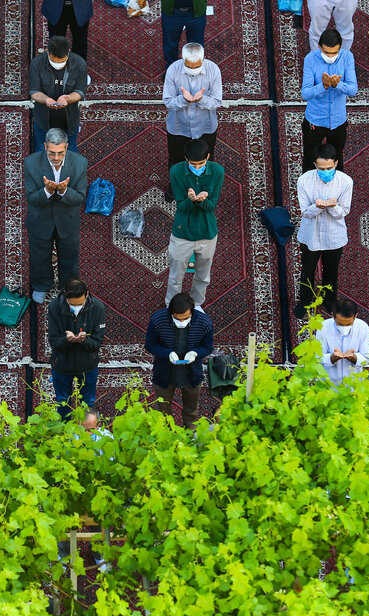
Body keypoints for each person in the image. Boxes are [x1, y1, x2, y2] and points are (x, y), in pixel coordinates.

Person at [23, 128, 89, 304]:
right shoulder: (30, 163)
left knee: (69, 256)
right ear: (45, 147)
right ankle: (41, 284)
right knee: (39, 256)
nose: (56, 158)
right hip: (40, 220)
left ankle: (68, 286)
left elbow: (80, 198)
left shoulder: (80, 163)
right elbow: (31, 198)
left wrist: (63, 191)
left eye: (60, 153)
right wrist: (47, 191)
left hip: (67, 221)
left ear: (67, 147)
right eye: (52, 153)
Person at [294, 144, 353, 319]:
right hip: (310, 234)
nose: (325, 171)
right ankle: (304, 301)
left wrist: (332, 207)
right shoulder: (304, 181)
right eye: (321, 168)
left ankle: (329, 300)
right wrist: (318, 207)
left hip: (334, 235)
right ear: (314, 164)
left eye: (329, 168)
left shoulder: (346, 182)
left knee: (331, 270)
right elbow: (305, 212)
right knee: (307, 270)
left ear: (336, 163)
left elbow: (344, 212)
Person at [166, 138, 224, 308]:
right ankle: (172, 306)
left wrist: (201, 201)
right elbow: (181, 206)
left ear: (208, 157)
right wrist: (192, 200)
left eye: (201, 163)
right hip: (182, 233)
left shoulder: (218, 171)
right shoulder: (176, 171)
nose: (197, 167)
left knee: (203, 276)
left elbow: (211, 205)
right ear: (186, 159)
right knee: (176, 276)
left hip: (207, 232)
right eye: (193, 164)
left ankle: (197, 305)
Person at [145, 293, 214, 427]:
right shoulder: (157, 320)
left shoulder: (204, 322)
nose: (181, 322)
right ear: (170, 313)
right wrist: (167, 353)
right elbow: (150, 345)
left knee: (191, 409)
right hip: (164, 373)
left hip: (191, 375)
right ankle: (166, 436)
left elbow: (208, 347)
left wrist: (195, 353)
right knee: (163, 411)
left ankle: (190, 434)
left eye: (185, 319)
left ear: (192, 312)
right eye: (177, 319)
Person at [48, 279, 106, 419]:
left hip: (88, 365)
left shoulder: (98, 307)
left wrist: (84, 340)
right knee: (63, 402)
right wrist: (67, 340)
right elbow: (54, 341)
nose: (76, 307)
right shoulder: (54, 307)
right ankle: (65, 433)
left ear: (87, 294)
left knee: (88, 404)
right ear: (65, 297)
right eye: (72, 304)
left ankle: (86, 432)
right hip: (62, 364)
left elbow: (97, 343)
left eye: (80, 304)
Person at [162, 42, 222, 178]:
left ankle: (204, 184)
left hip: (205, 127)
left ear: (204, 59)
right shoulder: (173, 70)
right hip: (178, 127)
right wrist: (184, 100)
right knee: (176, 159)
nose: (193, 70)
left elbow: (217, 102)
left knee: (206, 159)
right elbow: (168, 102)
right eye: (189, 66)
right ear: (183, 59)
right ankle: (175, 184)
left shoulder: (213, 70)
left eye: (197, 66)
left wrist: (201, 99)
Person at [301, 29, 357, 173]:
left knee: (337, 156)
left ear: (340, 48)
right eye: (326, 52)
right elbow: (306, 94)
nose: (330, 56)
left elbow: (353, 90)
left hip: (338, 121)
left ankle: (336, 187)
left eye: (334, 53)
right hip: (315, 120)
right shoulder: (310, 59)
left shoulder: (347, 57)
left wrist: (337, 84)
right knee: (310, 157)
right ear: (319, 47)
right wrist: (323, 86)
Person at [28, 35, 87, 151]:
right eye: (54, 62)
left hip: (69, 119)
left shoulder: (79, 63)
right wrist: (46, 100)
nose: (58, 65)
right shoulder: (37, 63)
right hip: (43, 118)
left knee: (70, 149)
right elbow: (34, 91)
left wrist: (67, 99)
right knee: (41, 148)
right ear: (48, 52)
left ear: (68, 53)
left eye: (62, 62)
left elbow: (80, 91)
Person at [315, 297, 369, 384]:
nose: (344, 327)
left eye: (348, 324)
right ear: (333, 315)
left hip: (354, 384)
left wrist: (353, 357)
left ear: (355, 316)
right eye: (340, 324)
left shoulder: (362, 327)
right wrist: (332, 358)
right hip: (329, 384)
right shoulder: (323, 327)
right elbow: (318, 357)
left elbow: (367, 357)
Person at [160, 0, 207, 68]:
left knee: (196, 45)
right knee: (170, 44)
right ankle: (171, 68)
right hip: (172, 12)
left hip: (196, 12)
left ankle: (194, 68)